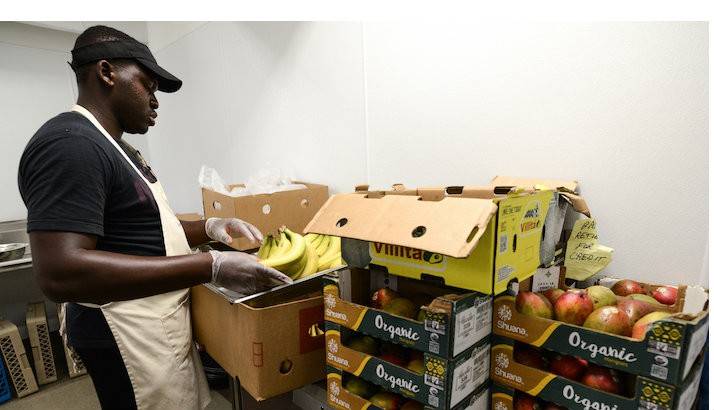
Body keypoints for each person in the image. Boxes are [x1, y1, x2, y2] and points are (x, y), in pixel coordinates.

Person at [17, 25, 291, 409]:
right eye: (147, 84)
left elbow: (147, 227)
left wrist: (209, 228)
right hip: (126, 332)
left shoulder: (120, 149)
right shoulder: (70, 145)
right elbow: (60, 271)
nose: (155, 100)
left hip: (153, 323)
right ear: (107, 72)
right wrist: (209, 266)